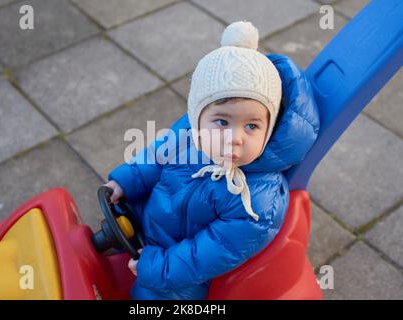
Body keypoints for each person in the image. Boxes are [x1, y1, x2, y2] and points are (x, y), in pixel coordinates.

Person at [104, 21, 320, 299]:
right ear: (197, 118)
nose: (235, 138)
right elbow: (157, 156)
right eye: (222, 121)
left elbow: (211, 252)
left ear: (270, 128)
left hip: (178, 271)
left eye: (252, 126)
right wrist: (126, 180)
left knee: (154, 296)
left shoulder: (257, 201)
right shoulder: (191, 136)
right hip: (148, 224)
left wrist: (158, 268)